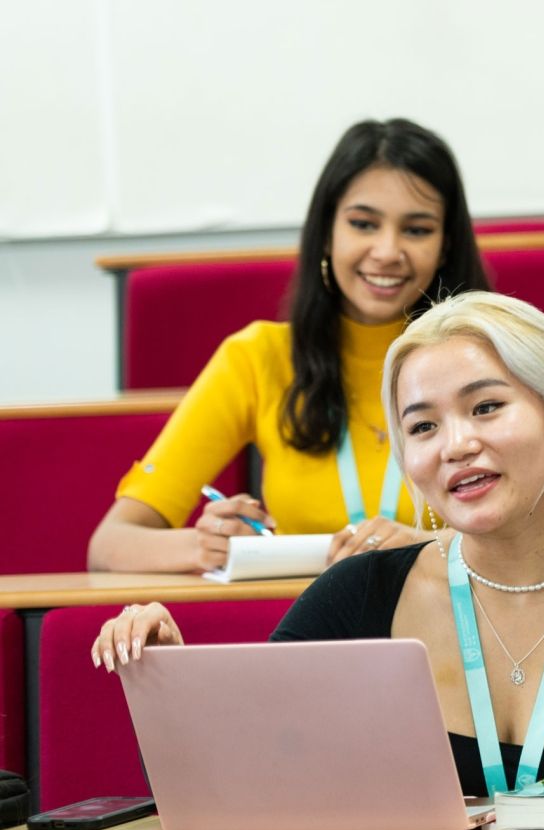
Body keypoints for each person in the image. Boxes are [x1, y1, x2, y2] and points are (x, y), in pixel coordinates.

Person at [92, 292, 544, 797]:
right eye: (423, 425)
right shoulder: (357, 596)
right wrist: (170, 682)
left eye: (485, 408)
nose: (454, 445)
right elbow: (235, 797)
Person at [88, 118, 493, 573]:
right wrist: (210, 547)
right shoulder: (258, 357)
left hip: (458, 624)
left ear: (445, 246)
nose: (386, 250)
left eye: (416, 230)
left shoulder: (489, 352)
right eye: (363, 224)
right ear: (326, 232)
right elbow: (110, 545)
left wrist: (426, 545)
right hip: (310, 631)